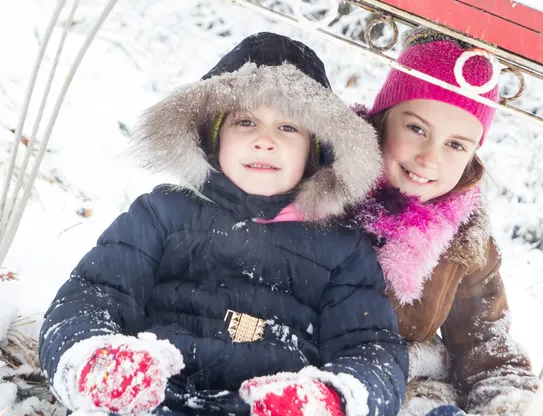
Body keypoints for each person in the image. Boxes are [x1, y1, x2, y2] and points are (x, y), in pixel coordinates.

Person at [37, 32, 409, 416]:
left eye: (287, 128)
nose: (265, 141)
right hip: (147, 398)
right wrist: (94, 361)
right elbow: (93, 294)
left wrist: (333, 398)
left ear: (316, 151)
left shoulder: (342, 250)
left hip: (274, 407)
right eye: (246, 122)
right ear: (213, 137)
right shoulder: (163, 213)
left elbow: (370, 347)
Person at [356, 27, 539, 415]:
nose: (429, 158)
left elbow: (485, 343)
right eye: (416, 128)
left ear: (472, 154)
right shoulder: (329, 187)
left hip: (408, 387)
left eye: (455, 145)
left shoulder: (464, 236)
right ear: (383, 119)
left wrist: (506, 403)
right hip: (312, 363)